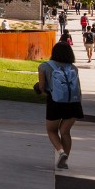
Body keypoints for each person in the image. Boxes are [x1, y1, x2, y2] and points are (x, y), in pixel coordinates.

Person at [37, 40, 83, 169]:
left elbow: (42, 87)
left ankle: (61, 152)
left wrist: (41, 90)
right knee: (65, 132)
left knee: (51, 130)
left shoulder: (44, 66)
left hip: (55, 102)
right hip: (73, 103)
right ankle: (65, 160)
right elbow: (78, 88)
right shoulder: (73, 68)